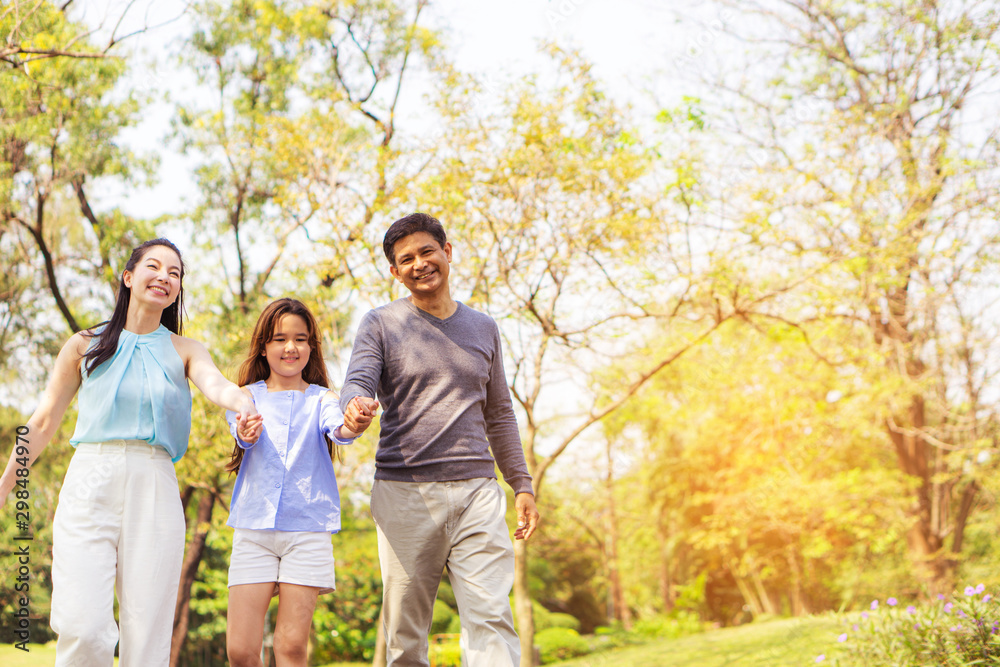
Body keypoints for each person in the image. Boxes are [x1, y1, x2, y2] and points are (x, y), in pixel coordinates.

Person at [0, 238, 259, 666]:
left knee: (146, 631)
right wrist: (7, 483)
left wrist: (242, 402)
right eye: (154, 267)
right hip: (90, 479)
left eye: (174, 273)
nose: (164, 277)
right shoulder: (84, 345)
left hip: (154, 482)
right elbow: (43, 420)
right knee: (82, 626)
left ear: (177, 289)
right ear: (128, 276)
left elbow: (215, 384)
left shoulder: (184, 349)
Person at [340, 212, 541, 667]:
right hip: (404, 493)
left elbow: (499, 412)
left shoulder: (484, 328)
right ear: (395, 271)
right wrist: (355, 405)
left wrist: (521, 483)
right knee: (405, 637)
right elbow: (358, 381)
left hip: (477, 491)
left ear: (447, 253)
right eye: (405, 259)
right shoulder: (380, 324)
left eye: (427, 251)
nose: (419, 263)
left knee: (491, 617)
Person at [223, 298, 376, 667]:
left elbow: (339, 429)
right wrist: (245, 431)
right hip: (253, 529)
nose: (290, 347)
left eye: (300, 339)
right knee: (241, 651)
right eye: (279, 339)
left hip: (307, 531)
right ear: (264, 346)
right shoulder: (245, 397)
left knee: (290, 648)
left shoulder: (323, 398)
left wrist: (354, 424)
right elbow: (242, 435)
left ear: (311, 347)